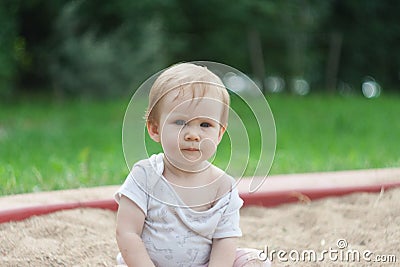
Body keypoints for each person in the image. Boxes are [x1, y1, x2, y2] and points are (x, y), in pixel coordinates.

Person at [115, 63, 271, 267]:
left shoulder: (223, 187)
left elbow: (224, 240)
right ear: (155, 129)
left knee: (256, 261)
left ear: (219, 134)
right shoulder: (146, 175)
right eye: (180, 122)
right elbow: (127, 232)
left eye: (205, 125)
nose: (193, 135)